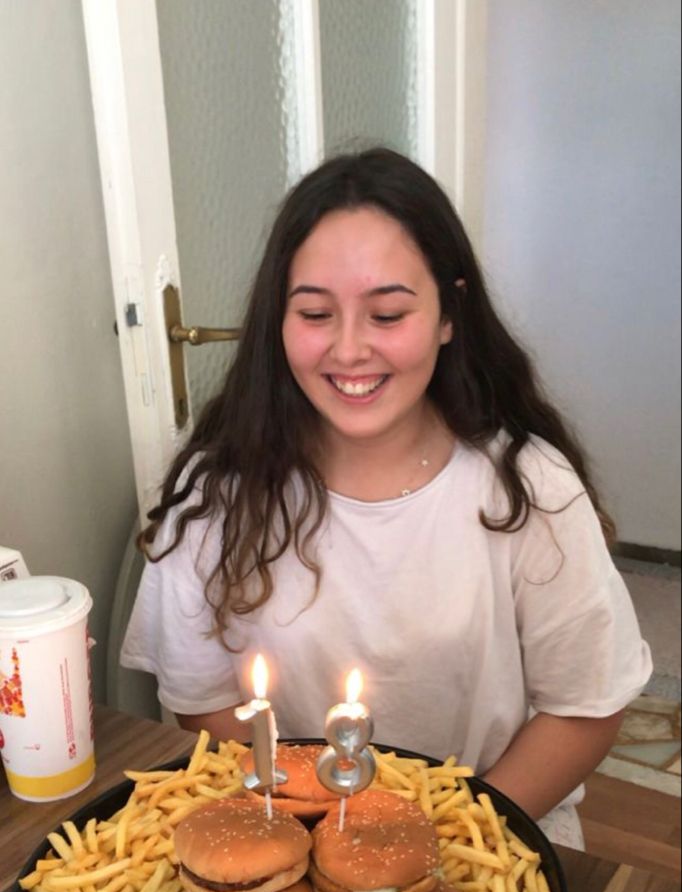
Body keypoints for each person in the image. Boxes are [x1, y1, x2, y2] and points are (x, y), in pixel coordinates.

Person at [121, 147, 651, 849]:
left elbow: (584, 707)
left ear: (447, 315)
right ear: (278, 324)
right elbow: (203, 704)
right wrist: (315, 828)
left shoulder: (530, 492)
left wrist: (448, 837)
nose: (349, 349)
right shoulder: (214, 499)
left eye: (388, 314)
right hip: (293, 829)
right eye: (314, 313)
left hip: (492, 832)